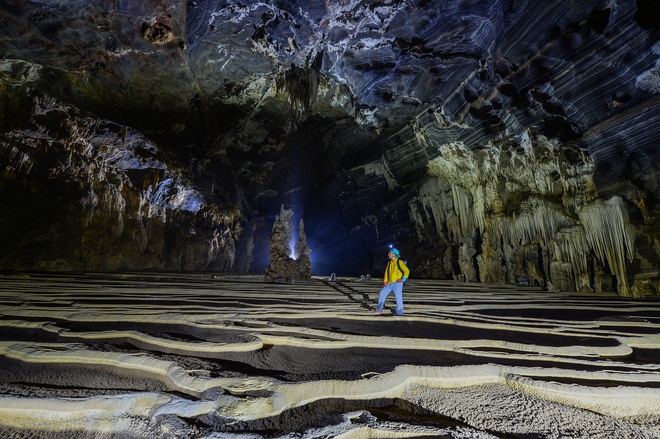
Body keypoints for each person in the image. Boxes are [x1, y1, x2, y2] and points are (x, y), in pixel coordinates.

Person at [374, 247, 409, 316]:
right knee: (382, 293)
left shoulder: (399, 262)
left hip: (397, 282)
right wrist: (385, 281)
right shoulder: (389, 263)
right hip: (389, 283)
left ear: (394, 254)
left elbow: (406, 271)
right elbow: (386, 273)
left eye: (390, 253)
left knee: (398, 297)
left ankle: (399, 312)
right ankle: (379, 309)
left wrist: (403, 279)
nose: (388, 254)